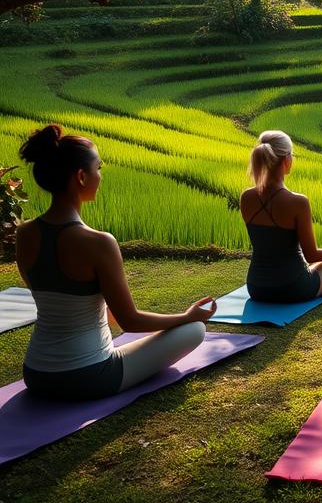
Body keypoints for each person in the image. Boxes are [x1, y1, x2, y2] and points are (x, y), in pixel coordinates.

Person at [15, 124, 215, 401]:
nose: (101, 176)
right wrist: (186, 316)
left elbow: (58, 300)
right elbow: (129, 321)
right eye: (99, 168)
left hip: (36, 373)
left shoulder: (24, 234)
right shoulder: (98, 242)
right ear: (82, 177)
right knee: (195, 331)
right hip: (89, 376)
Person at [240, 130, 322, 302]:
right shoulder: (298, 202)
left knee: (314, 267)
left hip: (257, 288)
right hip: (293, 288)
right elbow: (312, 255)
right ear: (287, 160)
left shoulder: (246, 197)